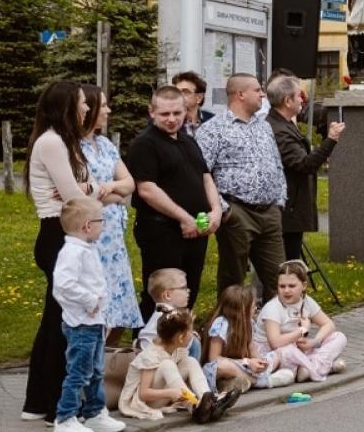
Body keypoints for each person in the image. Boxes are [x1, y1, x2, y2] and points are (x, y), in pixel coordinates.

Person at [21, 81, 98, 422]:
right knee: (63, 320)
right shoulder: (52, 142)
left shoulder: (68, 143)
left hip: (65, 230)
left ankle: (37, 401)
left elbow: (87, 189)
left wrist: (92, 188)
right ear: (66, 106)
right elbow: (75, 197)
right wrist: (94, 189)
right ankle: (55, 405)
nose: (86, 109)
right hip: (56, 232)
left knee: (54, 318)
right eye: (82, 103)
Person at [126, 86, 223, 318]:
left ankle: (180, 341)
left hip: (196, 230)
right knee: (163, 293)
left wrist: (216, 209)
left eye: (177, 113)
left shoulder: (188, 140)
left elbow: (205, 176)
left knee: (188, 291)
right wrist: (183, 217)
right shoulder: (144, 143)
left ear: (185, 110)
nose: (171, 119)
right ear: (152, 112)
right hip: (162, 231)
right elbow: (147, 189)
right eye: (165, 114)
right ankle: (151, 343)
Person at [196, 73, 288, 299]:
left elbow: (276, 163)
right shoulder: (213, 130)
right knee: (233, 279)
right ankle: (227, 328)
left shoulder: (263, 127)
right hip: (237, 212)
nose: (262, 94)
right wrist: (225, 210)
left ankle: (275, 329)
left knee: (279, 279)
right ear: (240, 94)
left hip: (269, 212)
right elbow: (201, 173)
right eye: (257, 90)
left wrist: (279, 201)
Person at [50, 197, 128, 432]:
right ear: (87, 225)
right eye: (100, 221)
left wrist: (102, 314)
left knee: (95, 371)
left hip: (94, 322)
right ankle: (64, 418)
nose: (103, 225)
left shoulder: (87, 249)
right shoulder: (72, 252)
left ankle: (94, 411)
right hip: (81, 323)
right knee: (78, 372)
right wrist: (90, 301)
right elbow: (63, 286)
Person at [75, 84, 143, 340]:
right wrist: (115, 194)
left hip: (113, 236)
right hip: (91, 233)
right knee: (97, 306)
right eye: (103, 105)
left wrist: (111, 188)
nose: (108, 110)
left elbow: (129, 184)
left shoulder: (104, 144)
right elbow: (85, 192)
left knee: (119, 309)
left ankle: (106, 361)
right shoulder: (73, 147)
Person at [266, 74, 344, 263]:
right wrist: (331, 140)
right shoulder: (279, 130)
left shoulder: (282, 124)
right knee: (287, 262)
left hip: (291, 205)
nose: (303, 99)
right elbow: (304, 164)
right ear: (287, 100)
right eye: (299, 95)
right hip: (289, 208)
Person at [119, 307, 233, 423]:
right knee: (167, 365)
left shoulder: (176, 349)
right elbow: (143, 394)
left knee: (190, 361)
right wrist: (170, 392)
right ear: (181, 338)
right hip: (147, 402)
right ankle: (196, 406)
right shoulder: (151, 355)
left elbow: (184, 376)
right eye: (191, 332)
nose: (193, 335)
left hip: (162, 396)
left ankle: (209, 401)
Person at [256, 261, 347, 382]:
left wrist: (313, 342)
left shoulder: (306, 301)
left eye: (292, 286)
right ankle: (324, 367)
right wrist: (302, 330)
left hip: (299, 348)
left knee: (339, 337)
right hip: (274, 354)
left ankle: (309, 368)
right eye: (282, 286)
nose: (286, 291)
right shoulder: (272, 307)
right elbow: (275, 343)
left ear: (303, 286)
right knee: (288, 351)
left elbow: (328, 324)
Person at [206, 284, 295, 392]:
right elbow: (214, 358)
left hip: (244, 365)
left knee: (276, 355)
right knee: (220, 366)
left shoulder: (249, 323)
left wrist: (260, 361)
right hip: (228, 366)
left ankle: (241, 382)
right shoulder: (221, 324)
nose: (255, 309)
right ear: (242, 310)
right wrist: (247, 362)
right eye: (253, 307)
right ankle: (262, 382)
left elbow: (250, 347)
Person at [172, 71, 214, 139]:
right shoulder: (169, 121)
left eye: (185, 92)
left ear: (199, 98)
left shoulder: (212, 120)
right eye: (176, 91)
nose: (178, 95)